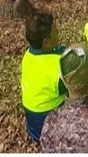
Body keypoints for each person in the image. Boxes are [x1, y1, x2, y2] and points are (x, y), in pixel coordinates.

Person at [20, 13, 67, 142]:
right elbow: (74, 87)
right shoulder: (57, 66)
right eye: (55, 33)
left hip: (32, 123)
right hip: (48, 124)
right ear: (46, 42)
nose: (58, 34)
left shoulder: (27, 56)